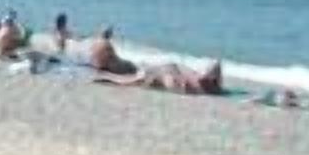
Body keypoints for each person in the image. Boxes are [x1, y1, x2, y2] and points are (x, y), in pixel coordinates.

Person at [95, 59, 225, 96]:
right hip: (177, 79)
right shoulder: (149, 76)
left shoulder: (148, 75)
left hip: (176, 78)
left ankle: (106, 77)